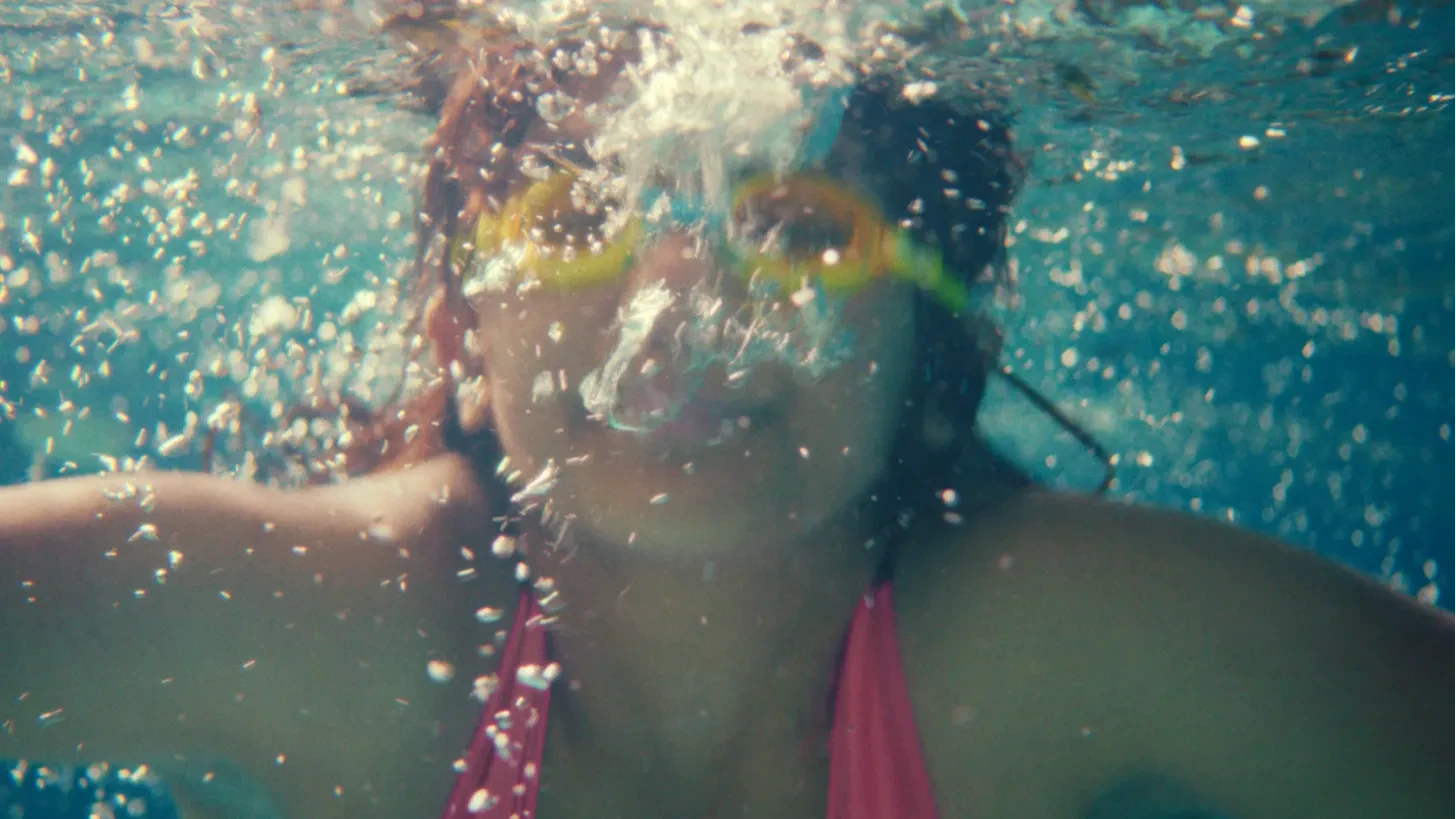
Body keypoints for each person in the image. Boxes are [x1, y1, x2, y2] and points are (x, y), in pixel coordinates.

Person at [3, 5, 1455, 819]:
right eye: (582, 217)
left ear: (933, 353)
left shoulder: (1031, 643)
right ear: (461, 326)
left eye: (802, 229)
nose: (686, 300)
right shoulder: (357, 630)